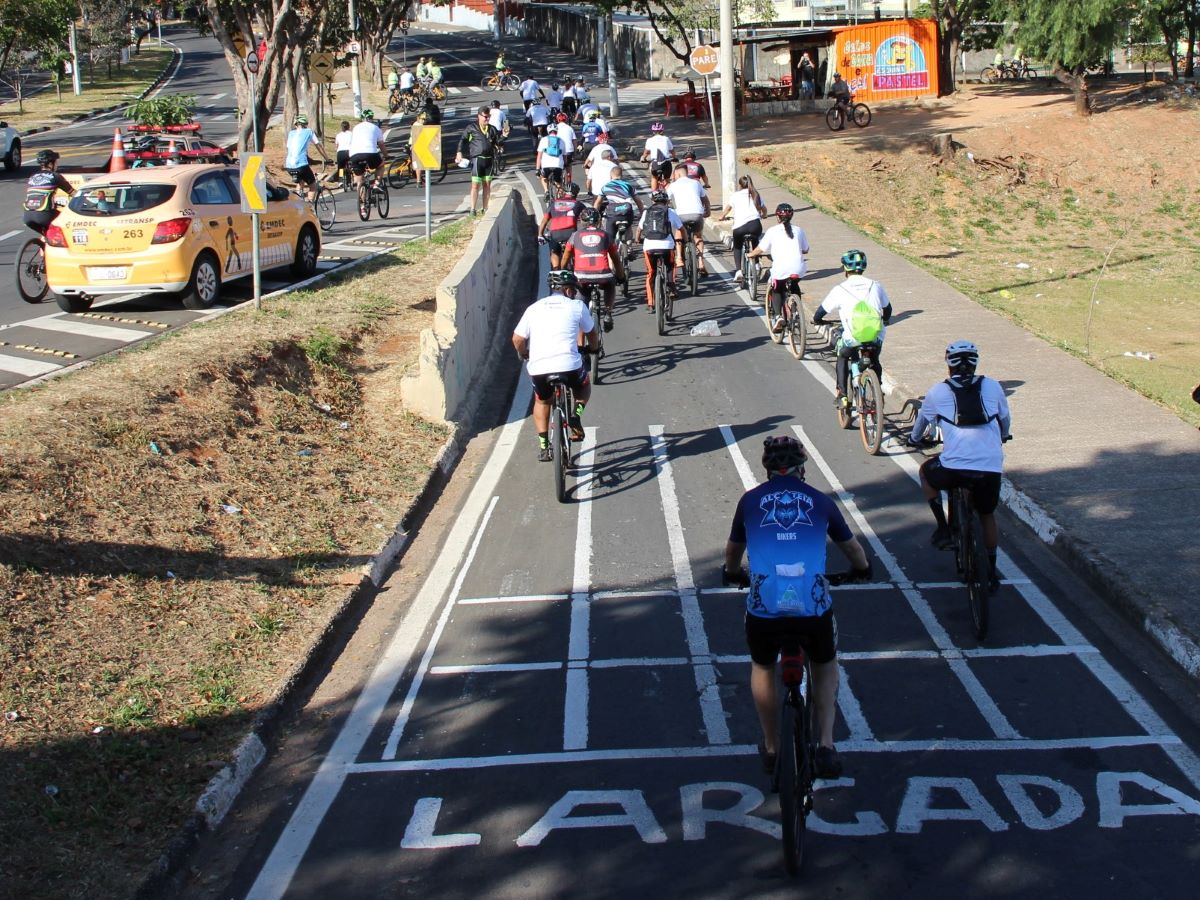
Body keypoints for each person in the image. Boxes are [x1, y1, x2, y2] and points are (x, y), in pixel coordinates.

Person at [722, 435, 871, 780]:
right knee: (824, 662)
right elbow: (852, 550)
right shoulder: (820, 501)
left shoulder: (750, 502)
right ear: (802, 468)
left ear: (768, 470)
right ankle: (827, 744)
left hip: (766, 607)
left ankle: (772, 747)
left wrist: (731, 574)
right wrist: (862, 570)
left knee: (761, 666)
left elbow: (732, 553)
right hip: (812, 606)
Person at [909, 342, 1012, 591]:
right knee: (987, 515)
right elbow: (1005, 419)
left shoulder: (937, 392)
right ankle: (991, 570)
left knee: (925, 472)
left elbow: (922, 421)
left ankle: (943, 528)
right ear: (975, 363)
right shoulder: (993, 386)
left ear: (949, 365)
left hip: (953, 468)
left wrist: (913, 439)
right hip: (990, 467)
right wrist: (1004, 435)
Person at [512, 270, 599, 459]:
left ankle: (544, 446)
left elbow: (517, 339)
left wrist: (524, 353)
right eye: (574, 290)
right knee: (583, 388)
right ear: (568, 291)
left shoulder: (533, 308)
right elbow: (592, 334)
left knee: (542, 400)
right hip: (569, 365)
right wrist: (593, 349)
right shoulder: (577, 306)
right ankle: (576, 415)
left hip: (539, 367)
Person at [812, 250, 893, 407]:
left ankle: (842, 394)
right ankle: (878, 391)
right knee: (875, 359)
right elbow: (888, 309)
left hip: (852, 338)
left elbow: (822, 311)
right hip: (875, 335)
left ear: (845, 268)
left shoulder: (839, 289)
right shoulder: (875, 285)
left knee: (842, 355)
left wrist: (817, 320)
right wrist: (885, 320)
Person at [560, 206, 625, 332]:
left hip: (581, 277)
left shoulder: (575, 236)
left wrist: (562, 272)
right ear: (599, 222)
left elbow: (565, 258)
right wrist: (621, 277)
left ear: (581, 222)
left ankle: (581, 345)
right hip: (603, 275)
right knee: (610, 284)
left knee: (580, 315)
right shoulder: (606, 235)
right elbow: (616, 259)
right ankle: (608, 313)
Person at [748, 203, 810, 334]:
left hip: (781, 268)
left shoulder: (772, 231)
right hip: (798, 268)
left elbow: (760, 249)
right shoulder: (799, 230)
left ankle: (777, 316)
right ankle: (796, 311)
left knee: (776, 289)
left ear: (777, 216)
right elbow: (806, 249)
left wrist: (750, 254)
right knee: (794, 284)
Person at [635, 190, 685, 312]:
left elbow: (639, 230)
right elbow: (681, 228)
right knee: (670, 266)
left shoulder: (646, 212)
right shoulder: (670, 211)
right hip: (667, 245)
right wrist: (685, 240)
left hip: (649, 246)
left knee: (651, 273)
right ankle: (672, 286)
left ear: (653, 201)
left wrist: (637, 240)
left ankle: (651, 303)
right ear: (667, 201)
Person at [719, 174, 767, 283]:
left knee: (737, 247)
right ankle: (756, 264)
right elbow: (764, 209)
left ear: (740, 185)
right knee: (755, 239)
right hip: (755, 225)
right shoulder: (755, 194)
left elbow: (727, 209)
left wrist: (722, 217)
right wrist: (764, 215)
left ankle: (739, 271)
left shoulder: (735, 195)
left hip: (740, 227)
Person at [667, 163, 711, 278]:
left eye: (674, 175)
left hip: (681, 215)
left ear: (678, 173)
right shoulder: (696, 183)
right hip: (697, 215)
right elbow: (705, 200)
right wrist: (708, 211)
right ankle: (701, 262)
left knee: (679, 232)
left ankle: (679, 258)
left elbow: (664, 200)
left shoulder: (673, 185)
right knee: (698, 237)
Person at [457, 105, 500, 215]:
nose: (487, 119)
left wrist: (504, 135)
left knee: (487, 184)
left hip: (489, 160)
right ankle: (473, 209)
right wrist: (459, 152)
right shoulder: (472, 127)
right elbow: (463, 140)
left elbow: (498, 143)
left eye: (488, 117)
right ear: (479, 116)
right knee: (475, 185)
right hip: (477, 159)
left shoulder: (492, 129)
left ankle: (485, 208)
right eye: (485, 117)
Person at [23, 149, 74, 235]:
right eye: (56, 163)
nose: (57, 165)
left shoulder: (32, 176)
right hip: (44, 216)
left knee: (48, 235)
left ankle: (46, 243)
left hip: (27, 217)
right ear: (51, 164)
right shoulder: (55, 176)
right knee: (68, 223)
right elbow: (73, 193)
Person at [538, 182, 586, 269]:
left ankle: (556, 269)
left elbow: (544, 221)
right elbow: (586, 218)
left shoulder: (553, 203)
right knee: (575, 250)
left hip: (555, 234)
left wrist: (540, 235)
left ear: (564, 192)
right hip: (570, 234)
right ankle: (576, 267)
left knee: (555, 252)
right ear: (576, 194)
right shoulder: (578, 204)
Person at [284, 114, 330, 201]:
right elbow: (318, 146)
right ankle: (310, 209)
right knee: (313, 186)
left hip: (289, 166)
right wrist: (327, 159)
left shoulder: (291, 133)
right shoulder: (309, 132)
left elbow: (289, 148)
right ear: (305, 124)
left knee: (300, 181)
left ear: (296, 124)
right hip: (301, 164)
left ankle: (298, 206)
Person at [594, 175, 643, 245]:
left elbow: (598, 203)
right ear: (621, 176)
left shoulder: (605, 187)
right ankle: (628, 241)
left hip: (612, 215)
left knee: (608, 234)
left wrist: (596, 215)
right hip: (626, 213)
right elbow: (638, 201)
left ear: (611, 176)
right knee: (628, 226)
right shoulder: (628, 185)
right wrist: (642, 214)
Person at [348, 109, 387, 190]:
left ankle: (361, 200)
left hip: (354, 155)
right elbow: (381, 144)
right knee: (381, 166)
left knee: (360, 180)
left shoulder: (355, 128)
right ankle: (376, 184)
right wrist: (386, 155)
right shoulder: (375, 128)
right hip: (370, 153)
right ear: (371, 118)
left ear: (362, 118)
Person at [640, 122, 675, 191]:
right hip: (666, 163)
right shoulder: (666, 139)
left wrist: (643, 158)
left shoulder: (650, 140)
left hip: (655, 163)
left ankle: (654, 194)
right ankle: (669, 196)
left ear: (653, 132)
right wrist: (674, 157)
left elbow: (646, 152)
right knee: (667, 180)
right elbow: (672, 151)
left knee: (654, 178)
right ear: (662, 131)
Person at [535, 126, 569, 196]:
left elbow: (539, 156)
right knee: (559, 182)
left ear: (548, 131)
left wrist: (537, 169)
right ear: (557, 131)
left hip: (546, 165)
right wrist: (565, 165)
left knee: (543, 177)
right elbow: (564, 156)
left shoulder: (543, 140)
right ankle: (560, 197)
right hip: (558, 165)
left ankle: (546, 191)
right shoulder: (561, 141)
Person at [553, 112, 578, 182]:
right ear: (566, 119)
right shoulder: (570, 128)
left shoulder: (555, 128)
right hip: (569, 151)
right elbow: (574, 141)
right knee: (569, 166)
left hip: (558, 151)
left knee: (558, 166)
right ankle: (569, 181)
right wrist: (575, 152)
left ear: (557, 120)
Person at [333, 120, 353, 187]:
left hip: (340, 152)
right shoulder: (351, 134)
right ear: (349, 127)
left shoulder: (338, 135)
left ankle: (340, 181)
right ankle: (350, 178)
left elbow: (337, 145)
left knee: (340, 168)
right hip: (349, 152)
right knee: (352, 165)